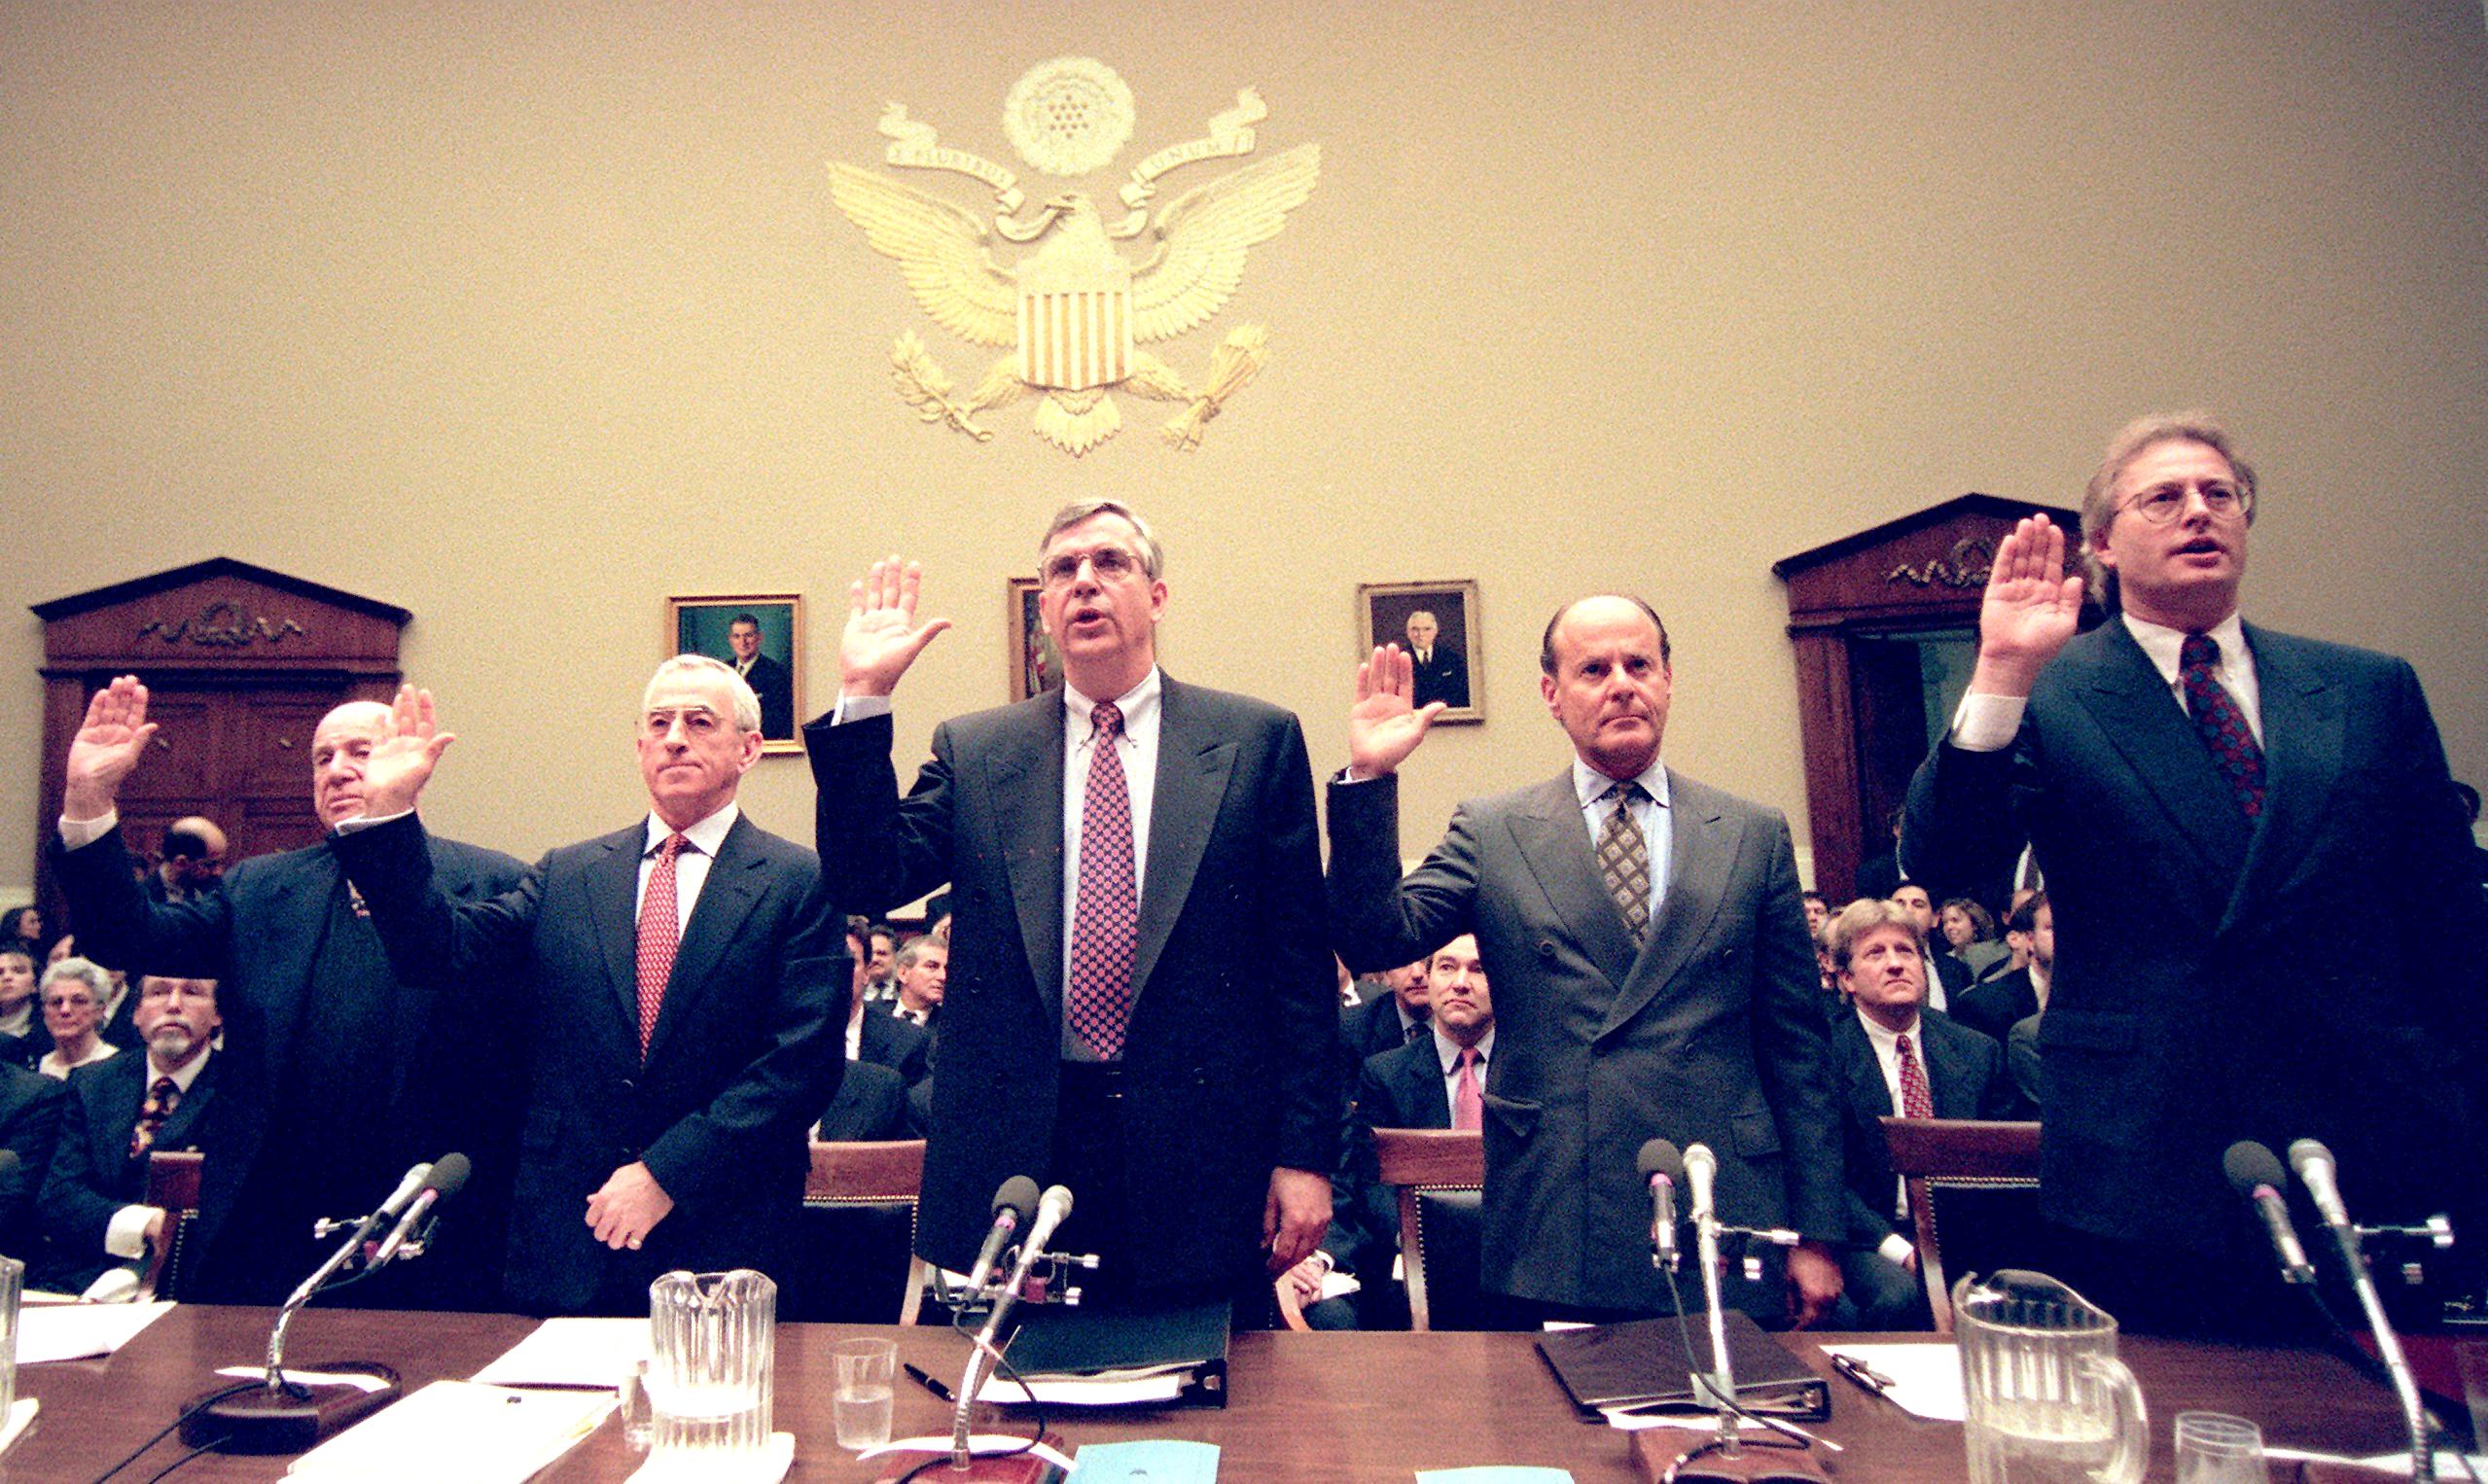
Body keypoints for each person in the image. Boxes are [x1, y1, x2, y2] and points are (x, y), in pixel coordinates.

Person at [1902, 411, 2488, 1333]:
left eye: (2220, 495)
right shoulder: (2055, 691)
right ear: (2102, 543)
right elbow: (1944, 862)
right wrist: (2003, 671)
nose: (2197, 513)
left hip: (2361, 1127)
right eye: (2163, 498)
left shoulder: (2368, 688)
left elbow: (2449, 925)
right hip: (2154, 1145)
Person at [807, 503, 1338, 1313]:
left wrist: (1304, 1157)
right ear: (1046, 612)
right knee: (1019, 1405)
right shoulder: (980, 750)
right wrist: (864, 697)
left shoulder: (1253, 741)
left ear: (1156, 596)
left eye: (1110, 563)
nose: (1084, 581)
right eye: (1063, 571)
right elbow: (867, 876)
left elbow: (1299, 970)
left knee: (1210, 1401)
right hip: (1025, 1146)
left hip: (1203, 1148)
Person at [1327, 595, 1845, 1325]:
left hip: (1721, 1196)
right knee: (1562, 1433)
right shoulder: (1495, 829)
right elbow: (1377, 939)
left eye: (1640, 664)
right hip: (1559, 1204)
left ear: (1669, 680)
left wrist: (1818, 1231)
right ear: (1552, 695)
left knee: (1735, 1422)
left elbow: (1800, 1049)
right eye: (1594, 669)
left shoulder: (1752, 834)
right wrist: (1369, 780)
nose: (1621, 684)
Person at [330, 659, 847, 1316]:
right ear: (639, 750)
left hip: (723, 1232)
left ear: (748, 749)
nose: (675, 738)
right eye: (658, 724)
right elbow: (441, 954)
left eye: (698, 722)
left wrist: (667, 1173)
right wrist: (391, 818)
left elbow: (800, 1065)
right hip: (568, 1237)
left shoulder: (798, 880)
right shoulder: (567, 875)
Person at [53, 681, 529, 1307]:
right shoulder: (262, 887)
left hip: (429, 1226)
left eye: (360, 751)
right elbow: (128, 937)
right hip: (266, 1223)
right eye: (322, 758)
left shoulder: (489, 881)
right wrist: (89, 799)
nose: (337, 771)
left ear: (413, 764)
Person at [1822, 899, 2024, 1327]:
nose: (1895, 964)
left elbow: (2002, 1166)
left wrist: (1956, 1248)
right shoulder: (1825, 1056)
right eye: (1875, 953)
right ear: (1846, 979)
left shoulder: (1977, 1051)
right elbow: (1825, 1178)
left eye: (1905, 951)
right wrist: (1906, 1252)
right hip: (1873, 1237)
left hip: (1963, 1233)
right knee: (1898, 1296)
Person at [1286, 932, 1496, 1329]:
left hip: (1510, 1262)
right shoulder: (1387, 1074)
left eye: (1478, 969)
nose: (1460, 982)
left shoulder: (1530, 1074)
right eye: (1447, 967)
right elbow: (1371, 1186)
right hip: (1410, 1263)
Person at [37, 974, 220, 1294]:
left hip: (193, 1286)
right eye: (158, 992)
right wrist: (142, 1224)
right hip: (81, 1275)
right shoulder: (93, 1082)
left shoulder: (246, 1092)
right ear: (135, 1014)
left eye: (192, 992)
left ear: (217, 1014)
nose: (173, 1004)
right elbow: (60, 1196)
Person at [1949, 893, 2050, 1044]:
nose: (2067, 936)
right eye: (2052, 927)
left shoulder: (2095, 1002)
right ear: (2030, 939)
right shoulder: (1981, 1006)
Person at [34, 959, 119, 1079]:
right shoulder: (34, 1067)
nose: (65, 1010)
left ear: (100, 1010)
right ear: (44, 1010)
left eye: (78, 1001)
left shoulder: (118, 1067)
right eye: (56, 1002)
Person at [727, 612, 796, 740]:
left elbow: (780, 720)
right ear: (730, 640)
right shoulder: (723, 670)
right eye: (737, 636)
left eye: (748, 635)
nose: (743, 642)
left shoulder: (776, 673)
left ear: (759, 638)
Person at [147, 817, 229, 905]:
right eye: (210, 865)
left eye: (221, 862)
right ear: (181, 863)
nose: (218, 872)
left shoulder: (217, 891)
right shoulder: (144, 898)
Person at [1404, 609, 1469, 711]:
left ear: (1435, 631)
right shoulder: (1400, 659)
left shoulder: (1451, 658)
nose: (1421, 634)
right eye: (1415, 629)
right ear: (1408, 632)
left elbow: (1462, 694)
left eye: (1427, 629)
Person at [0, 944, 46, 1070]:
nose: (7, 977)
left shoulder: (49, 1027)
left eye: (18, 971)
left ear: (35, 984)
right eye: (0, 972)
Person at [886, 936, 944, 1029]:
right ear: (903, 973)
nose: (943, 976)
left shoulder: (951, 1026)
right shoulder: (871, 1015)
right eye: (932, 966)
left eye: (947, 969)